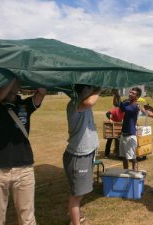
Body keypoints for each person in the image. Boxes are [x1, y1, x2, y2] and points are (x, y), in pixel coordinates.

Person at [0, 79, 46, 225]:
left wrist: (27, 74)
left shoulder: (25, 105)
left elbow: (42, 92)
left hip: (24, 168)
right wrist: (11, 78)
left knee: (27, 218)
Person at [63, 84, 101, 225]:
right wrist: (100, 88)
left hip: (86, 153)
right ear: (84, 89)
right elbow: (90, 102)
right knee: (77, 194)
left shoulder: (83, 103)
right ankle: (75, 221)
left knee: (81, 190)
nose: (93, 91)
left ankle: (75, 213)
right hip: (78, 156)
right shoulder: (76, 103)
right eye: (91, 88)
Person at [112, 87, 142, 171]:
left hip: (130, 136)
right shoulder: (127, 103)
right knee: (124, 157)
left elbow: (124, 108)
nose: (130, 94)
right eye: (130, 92)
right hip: (123, 134)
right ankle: (126, 173)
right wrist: (115, 95)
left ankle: (135, 174)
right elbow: (116, 104)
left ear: (137, 97)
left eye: (133, 93)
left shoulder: (135, 106)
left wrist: (118, 95)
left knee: (132, 158)